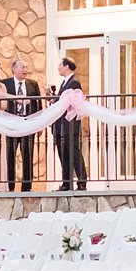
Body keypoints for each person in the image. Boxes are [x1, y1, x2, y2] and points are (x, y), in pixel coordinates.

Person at [1, 58, 42, 192]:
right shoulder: (5, 84)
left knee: (28, 156)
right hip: (11, 124)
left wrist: (39, 124)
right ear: (14, 69)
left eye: (26, 67)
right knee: (10, 156)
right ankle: (10, 186)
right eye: (23, 67)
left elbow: (38, 105)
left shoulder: (33, 84)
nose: (26, 70)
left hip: (28, 124)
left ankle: (26, 186)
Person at [52, 56, 87, 191]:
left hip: (69, 124)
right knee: (64, 154)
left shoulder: (74, 83)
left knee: (73, 152)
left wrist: (57, 102)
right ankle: (66, 182)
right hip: (61, 125)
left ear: (67, 66)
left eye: (60, 65)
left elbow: (72, 103)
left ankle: (81, 181)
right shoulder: (64, 83)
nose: (58, 67)